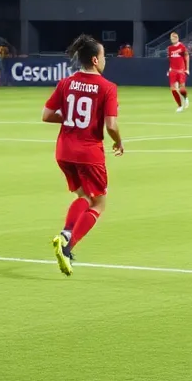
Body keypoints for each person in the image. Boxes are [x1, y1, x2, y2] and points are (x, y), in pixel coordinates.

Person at [43, 35, 123, 276]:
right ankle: (68, 246)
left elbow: (46, 115)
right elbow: (111, 125)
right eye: (104, 56)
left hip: (64, 150)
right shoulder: (107, 87)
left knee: (83, 196)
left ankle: (66, 233)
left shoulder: (66, 83)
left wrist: (68, 118)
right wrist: (119, 141)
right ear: (96, 60)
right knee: (99, 203)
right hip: (88, 152)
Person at [167, 32, 190, 112]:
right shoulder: (170, 48)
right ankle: (180, 106)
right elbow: (170, 59)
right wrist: (169, 68)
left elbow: (187, 57)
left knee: (181, 89)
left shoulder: (182, 47)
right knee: (173, 89)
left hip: (181, 70)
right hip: (173, 71)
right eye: (171, 39)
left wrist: (187, 68)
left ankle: (185, 98)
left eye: (173, 39)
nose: (172, 40)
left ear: (177, 38)